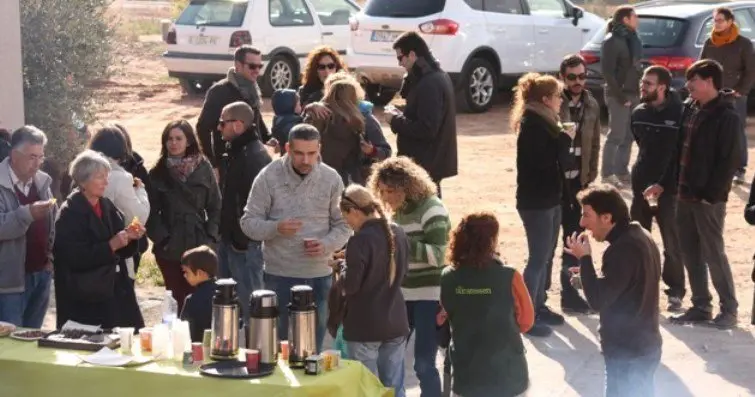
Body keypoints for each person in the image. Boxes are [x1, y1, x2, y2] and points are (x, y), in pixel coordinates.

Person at [240, 124, 350, 352]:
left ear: (320, 148)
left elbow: (345, 224)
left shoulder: (331, 179)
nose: (306, 160)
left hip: (319, 274)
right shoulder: (268, 176)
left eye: (312, 153)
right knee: (279, 347)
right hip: (279, 274)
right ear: (288, 148)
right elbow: (248, 223)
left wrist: (327, 244)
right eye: (299, 153)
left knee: (313, 348)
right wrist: (276, 228)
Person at [648, 59, 741, 329]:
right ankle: (701, 305)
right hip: (683, 194)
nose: (687, 86)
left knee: (714, 253)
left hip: (708, 199)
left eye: (693, 80)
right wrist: (664, 183)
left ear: (710, 82)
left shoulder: (727, 117)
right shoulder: (690, 108)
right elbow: (678, 152)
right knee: (689, 252)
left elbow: (728, 161)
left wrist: (710, 195)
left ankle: (729, 310)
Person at [564, 184, 662, 397]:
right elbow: (623, 285)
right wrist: (586, 279)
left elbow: (598, 300)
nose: (582, 223)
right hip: (642, 346)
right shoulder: (640, 234)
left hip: (628, 352)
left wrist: (585, 259)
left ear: (606, 218)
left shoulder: (622, 249)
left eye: (587, 215)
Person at [369, 156, 451, 397]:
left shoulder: (432, 209)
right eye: (381, 191)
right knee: (390, 359)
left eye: (390, 191)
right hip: (402, 295)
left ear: (407, 186)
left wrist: (401, 242)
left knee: (424, 364)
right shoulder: (398, 212)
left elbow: (439, 256)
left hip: (429, 295)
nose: (385, 198)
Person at [440, 212, 533, 397]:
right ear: (492, 241)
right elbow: (526, 321)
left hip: (466, 374)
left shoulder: (447, 276)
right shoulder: (510, 276)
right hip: (508, 374)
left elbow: (445, 316)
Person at [512, 72, 576, 336]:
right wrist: (564, 140)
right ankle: (527, 314)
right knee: (538, 258)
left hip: (549, 198)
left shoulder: (546, 120)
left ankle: (538, 304)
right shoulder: (533, 124)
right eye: (558, 96)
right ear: (546, 99)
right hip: (536, 202)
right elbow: (543, 162)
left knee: (546, 256)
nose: (562, 101)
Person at [53, 150, 145, 329]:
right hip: (85, 293)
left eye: (106, 176)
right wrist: (111, 245)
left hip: (114, 287)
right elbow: (73, 257)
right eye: (100, 177)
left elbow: (120, 243)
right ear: (82, 181)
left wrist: (131, 236)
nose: (106, 182)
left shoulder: (106, 205)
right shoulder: (69, 214)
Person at [338, 185, 410, 397]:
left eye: (346, 217)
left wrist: (341, 268)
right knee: (394, 387)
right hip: (395, 321)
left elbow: (350, 286)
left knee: (366, 390)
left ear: (355, 211)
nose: (347, 223)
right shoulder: (398, 232)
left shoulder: (358, 241)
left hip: (364, 326)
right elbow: (403, 274)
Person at [147, 120, 221, 314]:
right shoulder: (157, 172)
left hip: (198, 241)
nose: (173, 143)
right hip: (170, 246)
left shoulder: (203, 168)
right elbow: (150, 212)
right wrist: (163, 239)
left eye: (179, 138)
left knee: (201, 298)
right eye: (169, 139)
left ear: (188, 141)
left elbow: (216, 206)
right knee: (176, 299)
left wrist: (210, 238)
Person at [630, 65, 686, 312]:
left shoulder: (681, 113)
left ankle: (675, 292)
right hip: (641, 186)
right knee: (637, 240)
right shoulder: (638, 112)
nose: (643, 87)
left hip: (669, 189)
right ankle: (639, 288)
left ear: (662, 87)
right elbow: (641, 144)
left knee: (672, 243)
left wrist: (664, 183)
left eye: (649, 84)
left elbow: (679, 154)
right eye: (643, 82)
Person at [551, 54, 601, 314]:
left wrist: (590, 176)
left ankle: (570, 296)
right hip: (555, 184)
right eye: (572, 77)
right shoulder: (552, 101)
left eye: (582, 76)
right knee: (549, 244)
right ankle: (539, 300)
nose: (578, 82)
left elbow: (594, 143)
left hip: (579, 184)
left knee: (574, 241)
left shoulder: (591, 103)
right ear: (563, 77)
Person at [217, 101, 273, 320]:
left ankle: (256, 350)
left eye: (223, 123)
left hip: (245, 244)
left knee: (251, 306)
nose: (218, 127)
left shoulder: (254, 157)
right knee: (228, 304)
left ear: (238, 125)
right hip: (233, 239)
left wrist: (241, 239)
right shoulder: (239, 151)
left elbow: (256, 204)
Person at [387, 32, 457, 198]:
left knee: (425, 216)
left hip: (425, 166)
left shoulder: (430, 82)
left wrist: (395, 120)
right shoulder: (430, 77)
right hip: (427, 164)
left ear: (412, 54)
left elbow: (427, 128)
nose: (399, 63)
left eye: (400, 58)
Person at [0, 126, 56, 328]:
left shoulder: (42, 182)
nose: (37, 164)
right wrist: (27, 214)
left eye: (41, 157)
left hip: (40, 274)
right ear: (14, 155)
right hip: (8, 284)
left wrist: (49, 259)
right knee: (9, 347)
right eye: (32, 157)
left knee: (33, 342)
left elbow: (51, 224)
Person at [304, 72, 392, 185]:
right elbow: (386, 152)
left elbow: (296, 135)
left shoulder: (318, 115)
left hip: (319, 179)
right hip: (350, 183)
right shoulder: (320, 114)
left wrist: (309, 108)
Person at [700, 7, 755, 185]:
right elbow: (701, 66)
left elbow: (751, 71)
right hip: (712, 94)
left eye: (720, 20)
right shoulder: (709, 42)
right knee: (712, 131)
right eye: (715, 20)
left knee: (736, 131)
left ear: (730, 21)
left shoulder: (743, 43)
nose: (717, 24)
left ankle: (740, 169)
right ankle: (715, 167)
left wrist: (741, 90)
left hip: (735, 95)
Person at [196, 45, 273, 170]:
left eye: (260, 66)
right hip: (229, 163)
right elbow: (202, 128)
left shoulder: (253, 89)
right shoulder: (219, 91)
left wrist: (268, 138)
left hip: (253, 159)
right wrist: (213, 164)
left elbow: (256, 120)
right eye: (252, 66)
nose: (257, 70)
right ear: (238, 65)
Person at [88, 126, 150, 281]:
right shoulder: (121, 178)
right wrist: (140, 190)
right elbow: (138, 217)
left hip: (87, 249)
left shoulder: (82, 172)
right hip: (115, 253)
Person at [601, 5, 642, 187]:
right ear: (626, 19)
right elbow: (608, 73)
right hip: (619, 95)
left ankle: (622, 171)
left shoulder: (633, 38)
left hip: (634, 93)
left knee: (628, 136)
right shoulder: (612, 40)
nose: (637, 20)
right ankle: (607, 174)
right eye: (635, 16)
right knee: (616, 135)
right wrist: (620, 97)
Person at [304, 72, 366, 186]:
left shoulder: (318, 114)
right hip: (341, 179)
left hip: (314, 175)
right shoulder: (355, 123)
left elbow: (301, 134)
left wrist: (310, 108)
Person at [113, 123, 150, 278]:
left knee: (127, 285)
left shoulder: (136, 165)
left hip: (133, 238)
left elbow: (148, 201)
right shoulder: (98, 168)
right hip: (111, 238)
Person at [179, 245, 218, 343]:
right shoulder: (228, 296)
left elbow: (184, 333)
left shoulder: (192, 300)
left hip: (199, 350)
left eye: (186, 272)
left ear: (200, 273)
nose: (184, 275)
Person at [271, 88, 303, 155]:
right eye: (299, 103)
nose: (301, 106)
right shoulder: (292, 124)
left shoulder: (278, 120)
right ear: (290, 105)